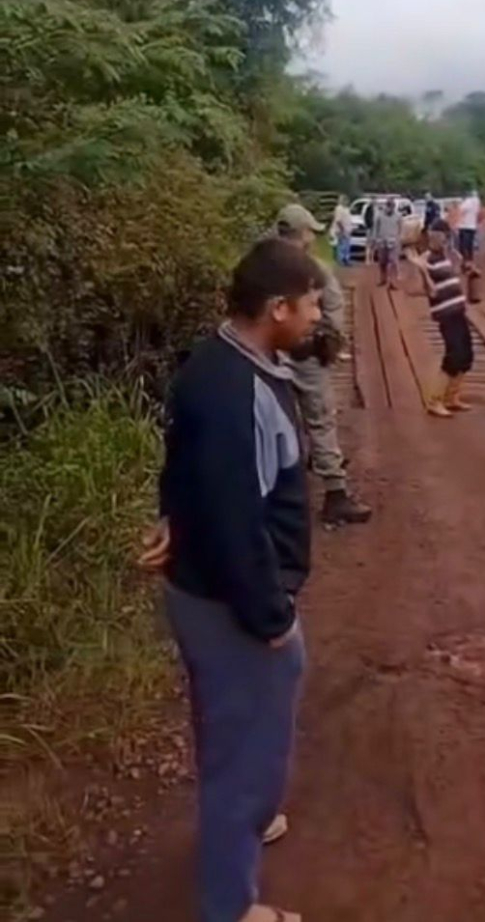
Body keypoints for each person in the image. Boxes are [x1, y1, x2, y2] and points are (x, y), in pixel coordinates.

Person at [158, 237, 323, 922]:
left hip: (199, 586)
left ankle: (249, 817)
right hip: (231, 601)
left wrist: (168, 516)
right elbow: (235, 520)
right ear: (277, 306)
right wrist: (271, 617)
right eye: (312, 301)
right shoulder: (240, 392)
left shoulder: (220, 358)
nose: (318, 314)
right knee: (245, 750)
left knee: (230, 733)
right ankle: (230, 905)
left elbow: (183, 462)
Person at [276, 204, 372, 526]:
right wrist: (329, 342)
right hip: (306, 353)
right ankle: (335, 492)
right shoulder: (314, 269)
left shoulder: (263, 266)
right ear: (302, 234)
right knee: (320, 419)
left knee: (274, 420)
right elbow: (333, 310)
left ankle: (275, 492)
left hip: (268, 354)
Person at [413, 218, 474, 417]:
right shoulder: (426, 259)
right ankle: (434, 400)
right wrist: (423, 272)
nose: (437, 240)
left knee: (466, 354)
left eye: (441, 236)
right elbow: (430, 292)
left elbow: (455, 273)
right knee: (453, 354)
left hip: (458, 309)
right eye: (434, 236)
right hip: (445, 313)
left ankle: (452, 397)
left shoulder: (447, 255)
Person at [374, 197, 403, 289]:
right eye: (389, 206)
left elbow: (400, 228)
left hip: (393, 242)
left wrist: (399, 239)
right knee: (382, 262)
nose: (390, 208)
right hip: (382, 241)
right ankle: (383, 279)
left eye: (392, 206)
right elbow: (376, 228)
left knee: (393, 261)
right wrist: (376, 239)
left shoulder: (398, 216)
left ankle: (392, 282)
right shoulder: (379, 216)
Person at [457, 188, 481, 263]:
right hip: (472, 226)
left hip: (464, 226)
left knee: (463, 245)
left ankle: (464, 260)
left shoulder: (467, 202)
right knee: (469, 245)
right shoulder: (477, 202)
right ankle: (470, 259)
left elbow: (460, 210)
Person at [331, 195, 353, 267]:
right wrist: (342, 229)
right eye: (345, 200)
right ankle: (341, 260)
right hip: (341, 230)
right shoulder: (339, 209)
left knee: (346, 246)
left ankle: (346, 259)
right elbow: (338, 221)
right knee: (342, 245)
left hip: (347, 230)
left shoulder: (346, 209)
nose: (346, 202)